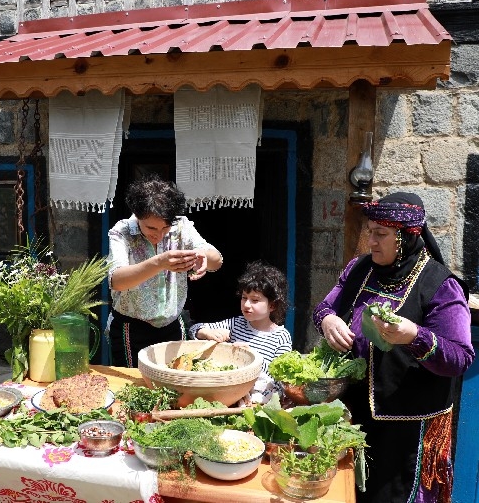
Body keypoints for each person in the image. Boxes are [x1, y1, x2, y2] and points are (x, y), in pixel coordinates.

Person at [313, 192, 475, 503]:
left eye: (381, 234)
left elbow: (460, 358)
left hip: (405, 426)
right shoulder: (360, 268)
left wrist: (415, 336)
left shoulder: (440, 286)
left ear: (406, 236)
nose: (371, 242)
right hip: (351, 413)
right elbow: (325, 307)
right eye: (369, 231)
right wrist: (328, 320)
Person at [106, 174, 223, 367]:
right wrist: (159, 262)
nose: (158, 234)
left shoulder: (182, 226)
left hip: (173, 326)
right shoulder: (122, 232)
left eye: (165, 228)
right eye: (151, 227)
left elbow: (217, 261)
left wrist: (203, 254)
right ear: (137, 215)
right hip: (131, 328)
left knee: (174, 386)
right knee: (132, 387)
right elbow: (117, 280)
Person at [188, 260, 292, 403]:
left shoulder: (281, 336)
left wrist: (251, 357)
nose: (247, 305)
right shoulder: (235, 324)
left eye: (255, 300)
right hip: (227, 396)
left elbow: (281, 382)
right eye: (244, 298)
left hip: (258, 402)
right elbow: (193, 329)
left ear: (272, 305)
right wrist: (206, 333)